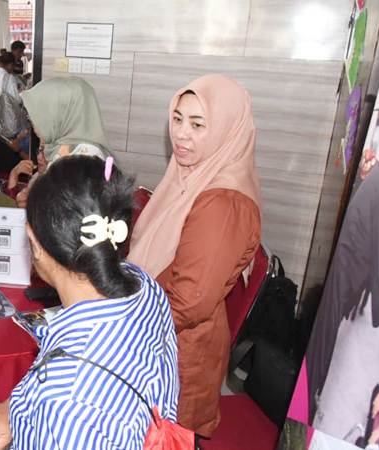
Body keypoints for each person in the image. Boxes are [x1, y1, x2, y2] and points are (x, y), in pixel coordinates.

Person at [0, 155, 180, 450]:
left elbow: (67, 402)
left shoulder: (67, 403)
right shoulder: (143, 285)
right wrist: (15, 411)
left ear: (34, 242)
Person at [128, 74, 262, 439]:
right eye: (177, 119)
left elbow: (189, 301)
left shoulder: (223, 201)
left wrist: (116, 327)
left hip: (177, 357)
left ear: (226, 130)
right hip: (159, 339)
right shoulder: (189, 175)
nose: (182, 134)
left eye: (199, 124)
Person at [8, 77, 116, 208]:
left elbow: (64, 216)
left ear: (58, 115)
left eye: (37, 116)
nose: (33, 124)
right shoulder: (63, 147)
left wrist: (33, 204)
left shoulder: (83, 160)